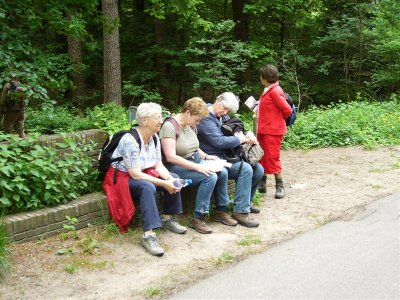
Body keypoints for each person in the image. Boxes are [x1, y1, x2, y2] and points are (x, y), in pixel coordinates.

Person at [108, 102, 187, 257]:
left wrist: (170, 180)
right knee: (147, 186)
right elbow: (135, 174)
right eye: (157, 117)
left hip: (144, 172)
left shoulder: (154, 138)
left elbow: (158, 165)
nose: (161, 120)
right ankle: (148, 235)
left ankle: (168, 218)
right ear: (144, 121)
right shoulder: (129, 140)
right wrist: (164, 183)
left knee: (175, 177)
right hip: (123, 178)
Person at [160, 97, 237, 234]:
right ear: (188, 113)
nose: (199, 122)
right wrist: (197, 167)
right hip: (177, 167)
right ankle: (198, 218)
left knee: (223, 172)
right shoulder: (169, 126)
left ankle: (221, 211)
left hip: (196, 161)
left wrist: (206, 157)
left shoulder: (190, 124)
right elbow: (170, 157)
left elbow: (194, 147)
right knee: (210, 177)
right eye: (197, 119)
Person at [197, 92, 264, 228]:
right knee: (245, 169)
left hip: (227, 157)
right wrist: (241, 139)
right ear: (218, 99)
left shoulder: (222, 114)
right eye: (225, 109)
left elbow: (234, 128)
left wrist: (247, 133)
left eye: (228, 111)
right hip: (212, 159)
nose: (226, 112)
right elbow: (219, 141)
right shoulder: (205, 118)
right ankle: (241, 212)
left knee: (258, 169)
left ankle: (245, 203)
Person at [257, 64, 292, 198]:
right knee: (262, 156)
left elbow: (287, 110)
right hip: (263, 129)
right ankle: (262, 183)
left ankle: (280, 185)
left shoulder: (275, 91)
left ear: (265, 77)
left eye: (261, 75)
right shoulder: (268, 89)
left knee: (272, 158)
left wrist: (275, 120)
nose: (260, 78)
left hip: (273, 131)